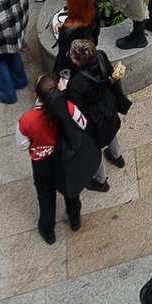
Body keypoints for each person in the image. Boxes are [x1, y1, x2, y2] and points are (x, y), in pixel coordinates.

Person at [17, 73, 87, 242]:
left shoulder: (26, 120)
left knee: (45, 196)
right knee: (71, 189)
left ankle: (48, 231)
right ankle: (74, 219)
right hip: (66, 159)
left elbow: (23, 145)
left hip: (42, 164)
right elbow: (83, 123)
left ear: (36, 94)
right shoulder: (67, 107)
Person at [62, 38, 125, 193]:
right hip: (108, 105)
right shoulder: (101, 56)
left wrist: (63, 91)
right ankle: (118, 157)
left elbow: (77, 108)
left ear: (77, 61)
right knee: (110, 132)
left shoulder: (76, 83)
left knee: (94, 149)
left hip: (93, 119)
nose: (69, 53)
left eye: (71, 52)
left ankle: (101, 181)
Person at [53, 0, 100, 76]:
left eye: (68, 0)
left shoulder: (67, 31)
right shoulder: (94, 13)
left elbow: (63, 55)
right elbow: (95, 36)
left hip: (71, 64)